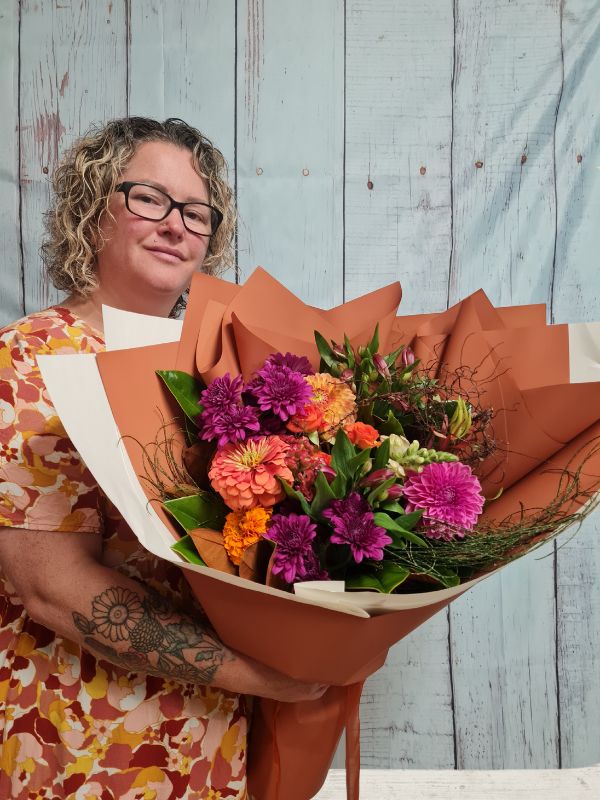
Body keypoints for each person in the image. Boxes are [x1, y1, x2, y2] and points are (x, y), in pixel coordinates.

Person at [0, 117, 326, 800]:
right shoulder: (28, 363)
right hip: (78, 745)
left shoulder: (222, 373)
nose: (176, 224)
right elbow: (50, 586)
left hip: (210, 749)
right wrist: (264, 675)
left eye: (196, 211)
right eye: (148, 197)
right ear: (93, 210)